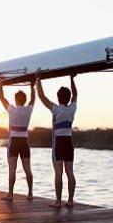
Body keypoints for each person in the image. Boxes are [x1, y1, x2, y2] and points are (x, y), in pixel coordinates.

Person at [36, 74, 78, 208]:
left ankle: (58, 201)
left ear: (58, 98)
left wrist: (38, 79)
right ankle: (70, 201)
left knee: (58, 173)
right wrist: (72, 79)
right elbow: (75, 95)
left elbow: (42, 97)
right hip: (69, 142)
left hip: (58, 143)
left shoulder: (56, 109)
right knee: (70, 172)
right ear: (67, 98)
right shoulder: (72, 108)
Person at [0, 80, 35, 201]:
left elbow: (1, 97)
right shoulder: (28, 109)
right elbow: (33, 99)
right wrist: (32, 85)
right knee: (27, 168)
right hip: (24, 141)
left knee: (12, 168)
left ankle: (10, 194)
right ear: (24, 100)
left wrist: (1, 84)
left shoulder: (12, 109)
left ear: (16, 100)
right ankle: (30, 193)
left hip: (14, 141)